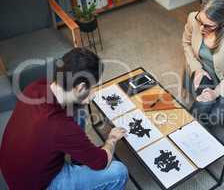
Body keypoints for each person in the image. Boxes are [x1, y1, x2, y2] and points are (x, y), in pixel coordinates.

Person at [0, 48, 128, 190]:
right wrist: (111, 139)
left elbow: (66, 115)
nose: (94, 94)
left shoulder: (35, 87)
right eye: (94, 88)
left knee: (77, 111)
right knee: (118, 172)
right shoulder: (59, 127)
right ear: (80, 87)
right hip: (34, 184)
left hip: (14, 167)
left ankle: (80, 159)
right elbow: (102, 162)